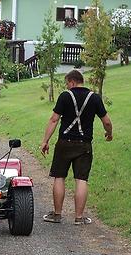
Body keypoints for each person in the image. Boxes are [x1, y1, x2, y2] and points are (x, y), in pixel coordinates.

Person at [40, 70, 113, 225]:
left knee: (59, 177)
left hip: (64, 143)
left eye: (67, 83)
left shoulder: (65, 96)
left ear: (72, 82)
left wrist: (45, 141)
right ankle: (79, 218)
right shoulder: (95, 98)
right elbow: (106, 121)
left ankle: (57, 214)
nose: (67, 86)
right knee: (81, 179)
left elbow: (54, 120)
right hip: (84, 145)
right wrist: (109, 133)